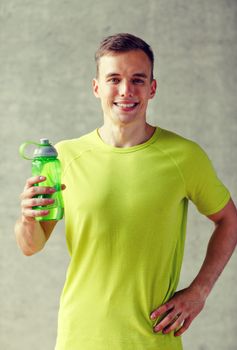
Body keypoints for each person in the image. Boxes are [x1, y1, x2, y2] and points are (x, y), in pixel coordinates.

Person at [15, 33, 237, 350]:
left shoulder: (184, 157)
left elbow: (229, 219)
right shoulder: (64, 157)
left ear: (152, 88)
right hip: (79, 337)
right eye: (114, 79)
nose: (125, 90)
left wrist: (199, 291)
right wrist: (27, 218)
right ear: (96, 88)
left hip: (152, 338)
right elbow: (30, 246)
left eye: (137, 79)